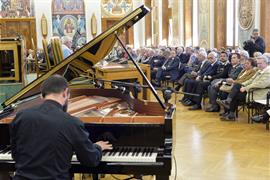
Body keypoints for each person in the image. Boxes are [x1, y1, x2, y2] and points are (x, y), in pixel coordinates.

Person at [10, 75, 113, 179]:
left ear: (42, 96)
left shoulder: (21, 116)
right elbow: (90, 160)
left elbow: (15, 155)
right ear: (66, 93)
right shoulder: (71, 123)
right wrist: (98, 147)